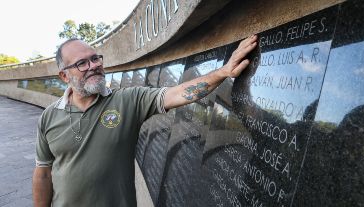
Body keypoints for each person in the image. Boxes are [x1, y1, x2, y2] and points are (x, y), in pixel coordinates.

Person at [32, 34, 258, 207]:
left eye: (95, 59)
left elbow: (177, 93)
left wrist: (223, 72)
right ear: (64, 76)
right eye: (82, 63)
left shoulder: (128, 100)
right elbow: (43, 172)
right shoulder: (49, 117)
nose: (93, 66)